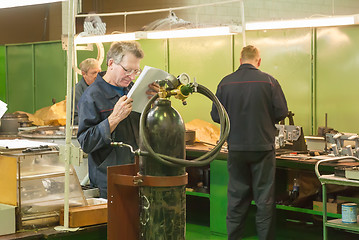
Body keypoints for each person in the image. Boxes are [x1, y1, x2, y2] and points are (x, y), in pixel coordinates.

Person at [211, 45, 288, 240]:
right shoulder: (270, 82)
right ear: (258, 61)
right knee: (265, 200)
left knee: (236, 198)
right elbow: (281, 113)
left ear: (240, 60)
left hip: (236, 149)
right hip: (263, 149)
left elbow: (215, 115)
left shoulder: (225, 83)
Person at [77, 41, 158, 198]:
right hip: (109, 181)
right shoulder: (92, 97)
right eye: (127, 70)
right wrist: (113, 119)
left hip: (138, 173)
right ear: (111, 63)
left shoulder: (134, 90)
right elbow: (86, 142)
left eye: (136, 71)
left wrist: (155, 104)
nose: (132, 76)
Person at [73, 58, 101, 124]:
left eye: (99, 72)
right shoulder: (76, 92)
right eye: (94, 73)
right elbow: (74, 119)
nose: (98, 76)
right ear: (84, 74)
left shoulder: (102, 87)